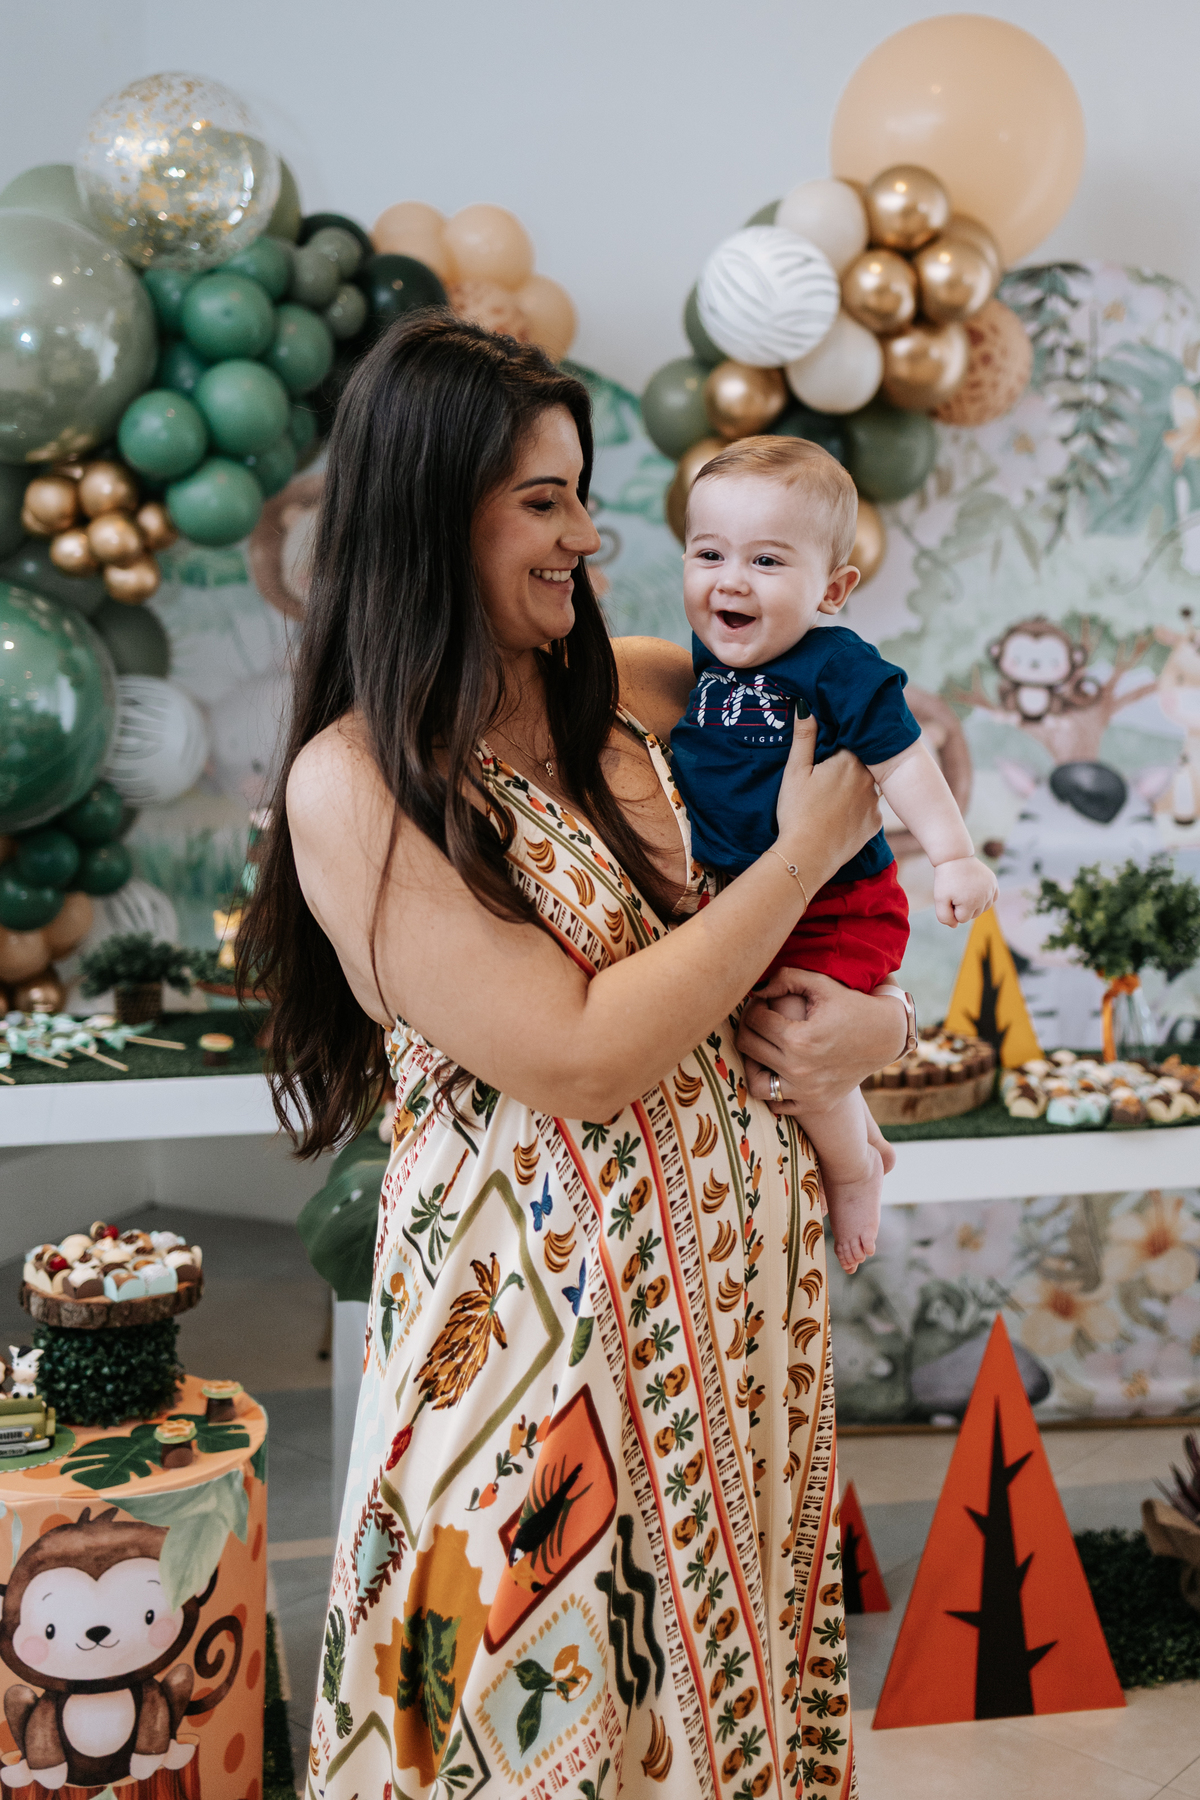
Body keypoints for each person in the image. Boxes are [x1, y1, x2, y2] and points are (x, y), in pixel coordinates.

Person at [242, 313, 906, 1800]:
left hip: (728, 1354)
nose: (588, 539)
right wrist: (792, 869)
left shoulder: (640, 694)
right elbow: (583, 1059)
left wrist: (879, 1023)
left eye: (582, 496)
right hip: (531, 1375)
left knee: (717, 1711)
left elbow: (898, 756)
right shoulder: (355, 783)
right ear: (432, 511)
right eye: (543, 501)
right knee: (513, 1717)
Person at [671, 436, 997, 1276]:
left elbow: (903, 760)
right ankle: (849, 1134)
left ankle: (854, 1168)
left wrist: (954, 855)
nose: (730, 580)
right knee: (775, 1039)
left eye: (767, 561)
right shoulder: (711, 659)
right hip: (755, 901)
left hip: (837, 903)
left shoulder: (838, 664)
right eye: (708, 554)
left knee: (800, 1042)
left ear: (832, 588)